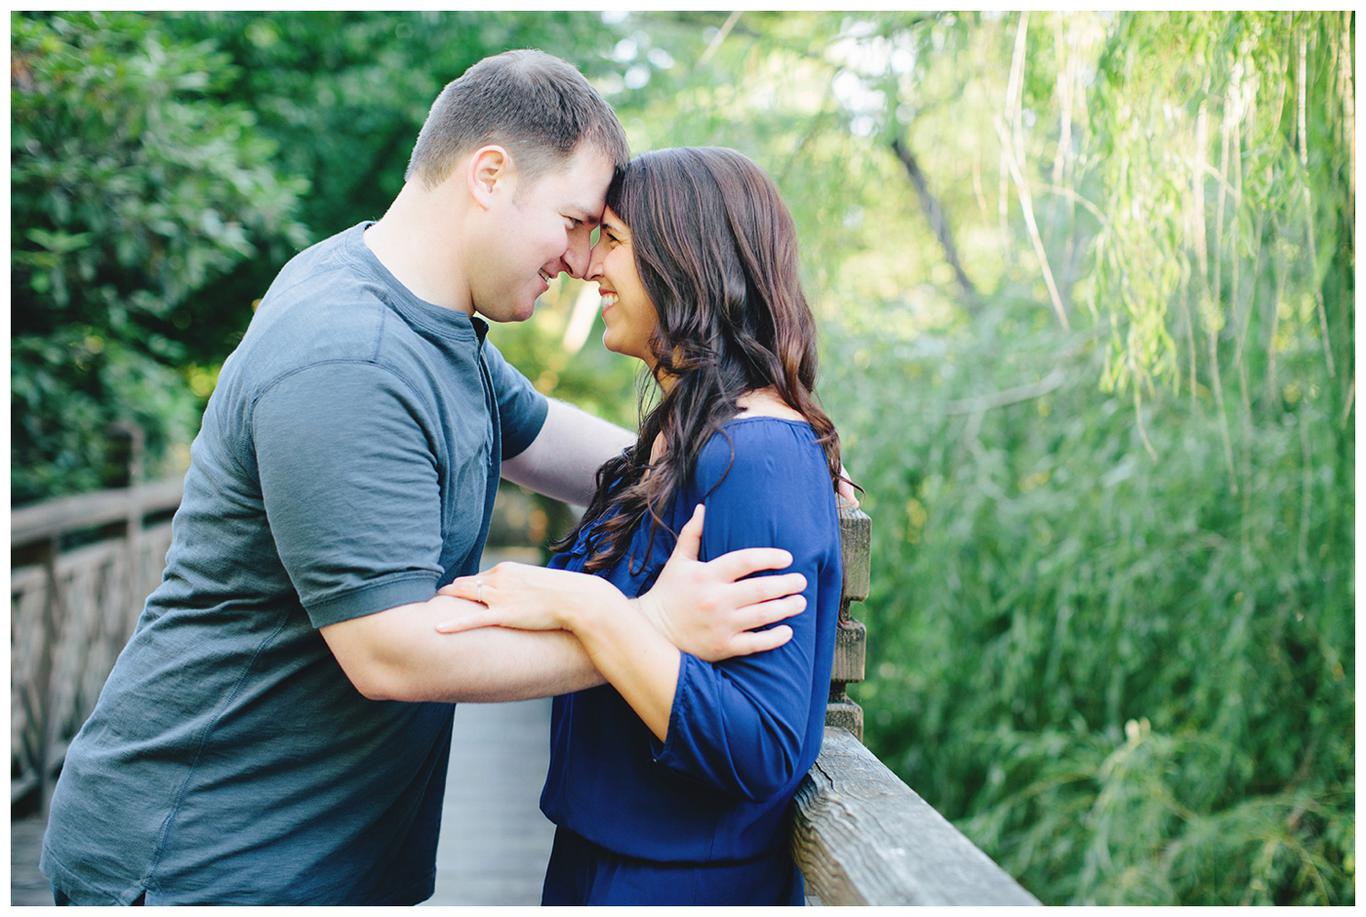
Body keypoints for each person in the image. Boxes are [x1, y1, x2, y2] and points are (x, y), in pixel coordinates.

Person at [39, 52, 824, 906]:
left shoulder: (433, 325)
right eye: (571, 221)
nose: (578, 260)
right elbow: (390, 652)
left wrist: (760, 442)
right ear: (489, 176)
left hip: (305, 850)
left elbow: (565, 443)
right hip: (203, 854)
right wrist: (641, 625)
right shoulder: (350, 355)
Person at [432, 147, 848, 905]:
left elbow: (766, 745)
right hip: (592, 865)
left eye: (614, 241)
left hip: (680, 884)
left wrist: (590, 608)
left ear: (685, 261)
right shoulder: (675, 445)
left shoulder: (759, 458)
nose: (588, 266)